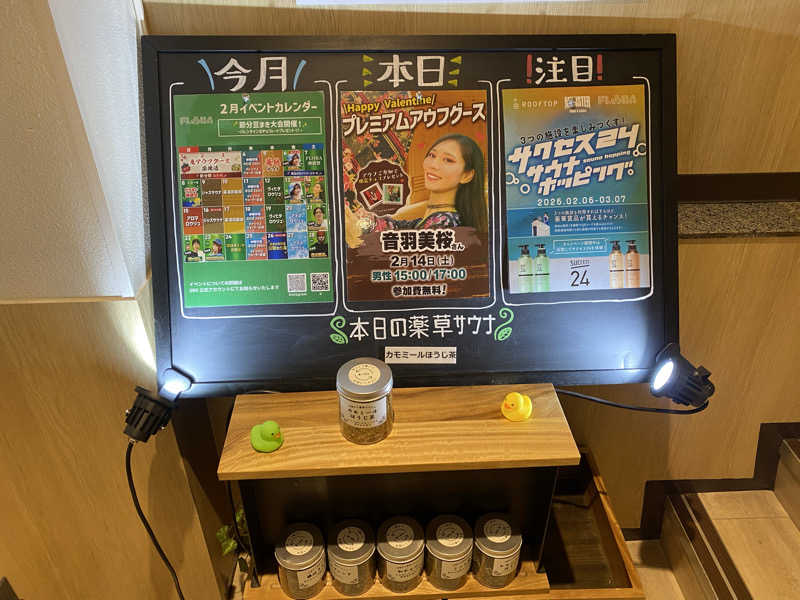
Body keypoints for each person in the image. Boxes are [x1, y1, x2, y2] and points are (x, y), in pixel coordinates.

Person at [350, 133, 487, 235]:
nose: (433, 165)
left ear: (467, 175)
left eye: (448, 160)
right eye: (432, 155)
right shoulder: (433, 219)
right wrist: (365, 219)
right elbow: (397, 227)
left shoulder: (445, 223)